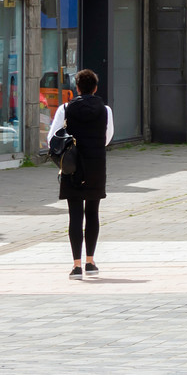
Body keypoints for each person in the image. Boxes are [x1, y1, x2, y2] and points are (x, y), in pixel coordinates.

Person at [47, 68, 112, 278]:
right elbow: (107, 137)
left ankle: (76, 266)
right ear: (95, 88)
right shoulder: (105, 110)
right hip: (95, 166)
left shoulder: (65, 108)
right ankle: (90, 262)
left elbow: (52, 139)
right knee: (92, 213)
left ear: (76, 88)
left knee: (75, 214)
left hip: (72, 166)